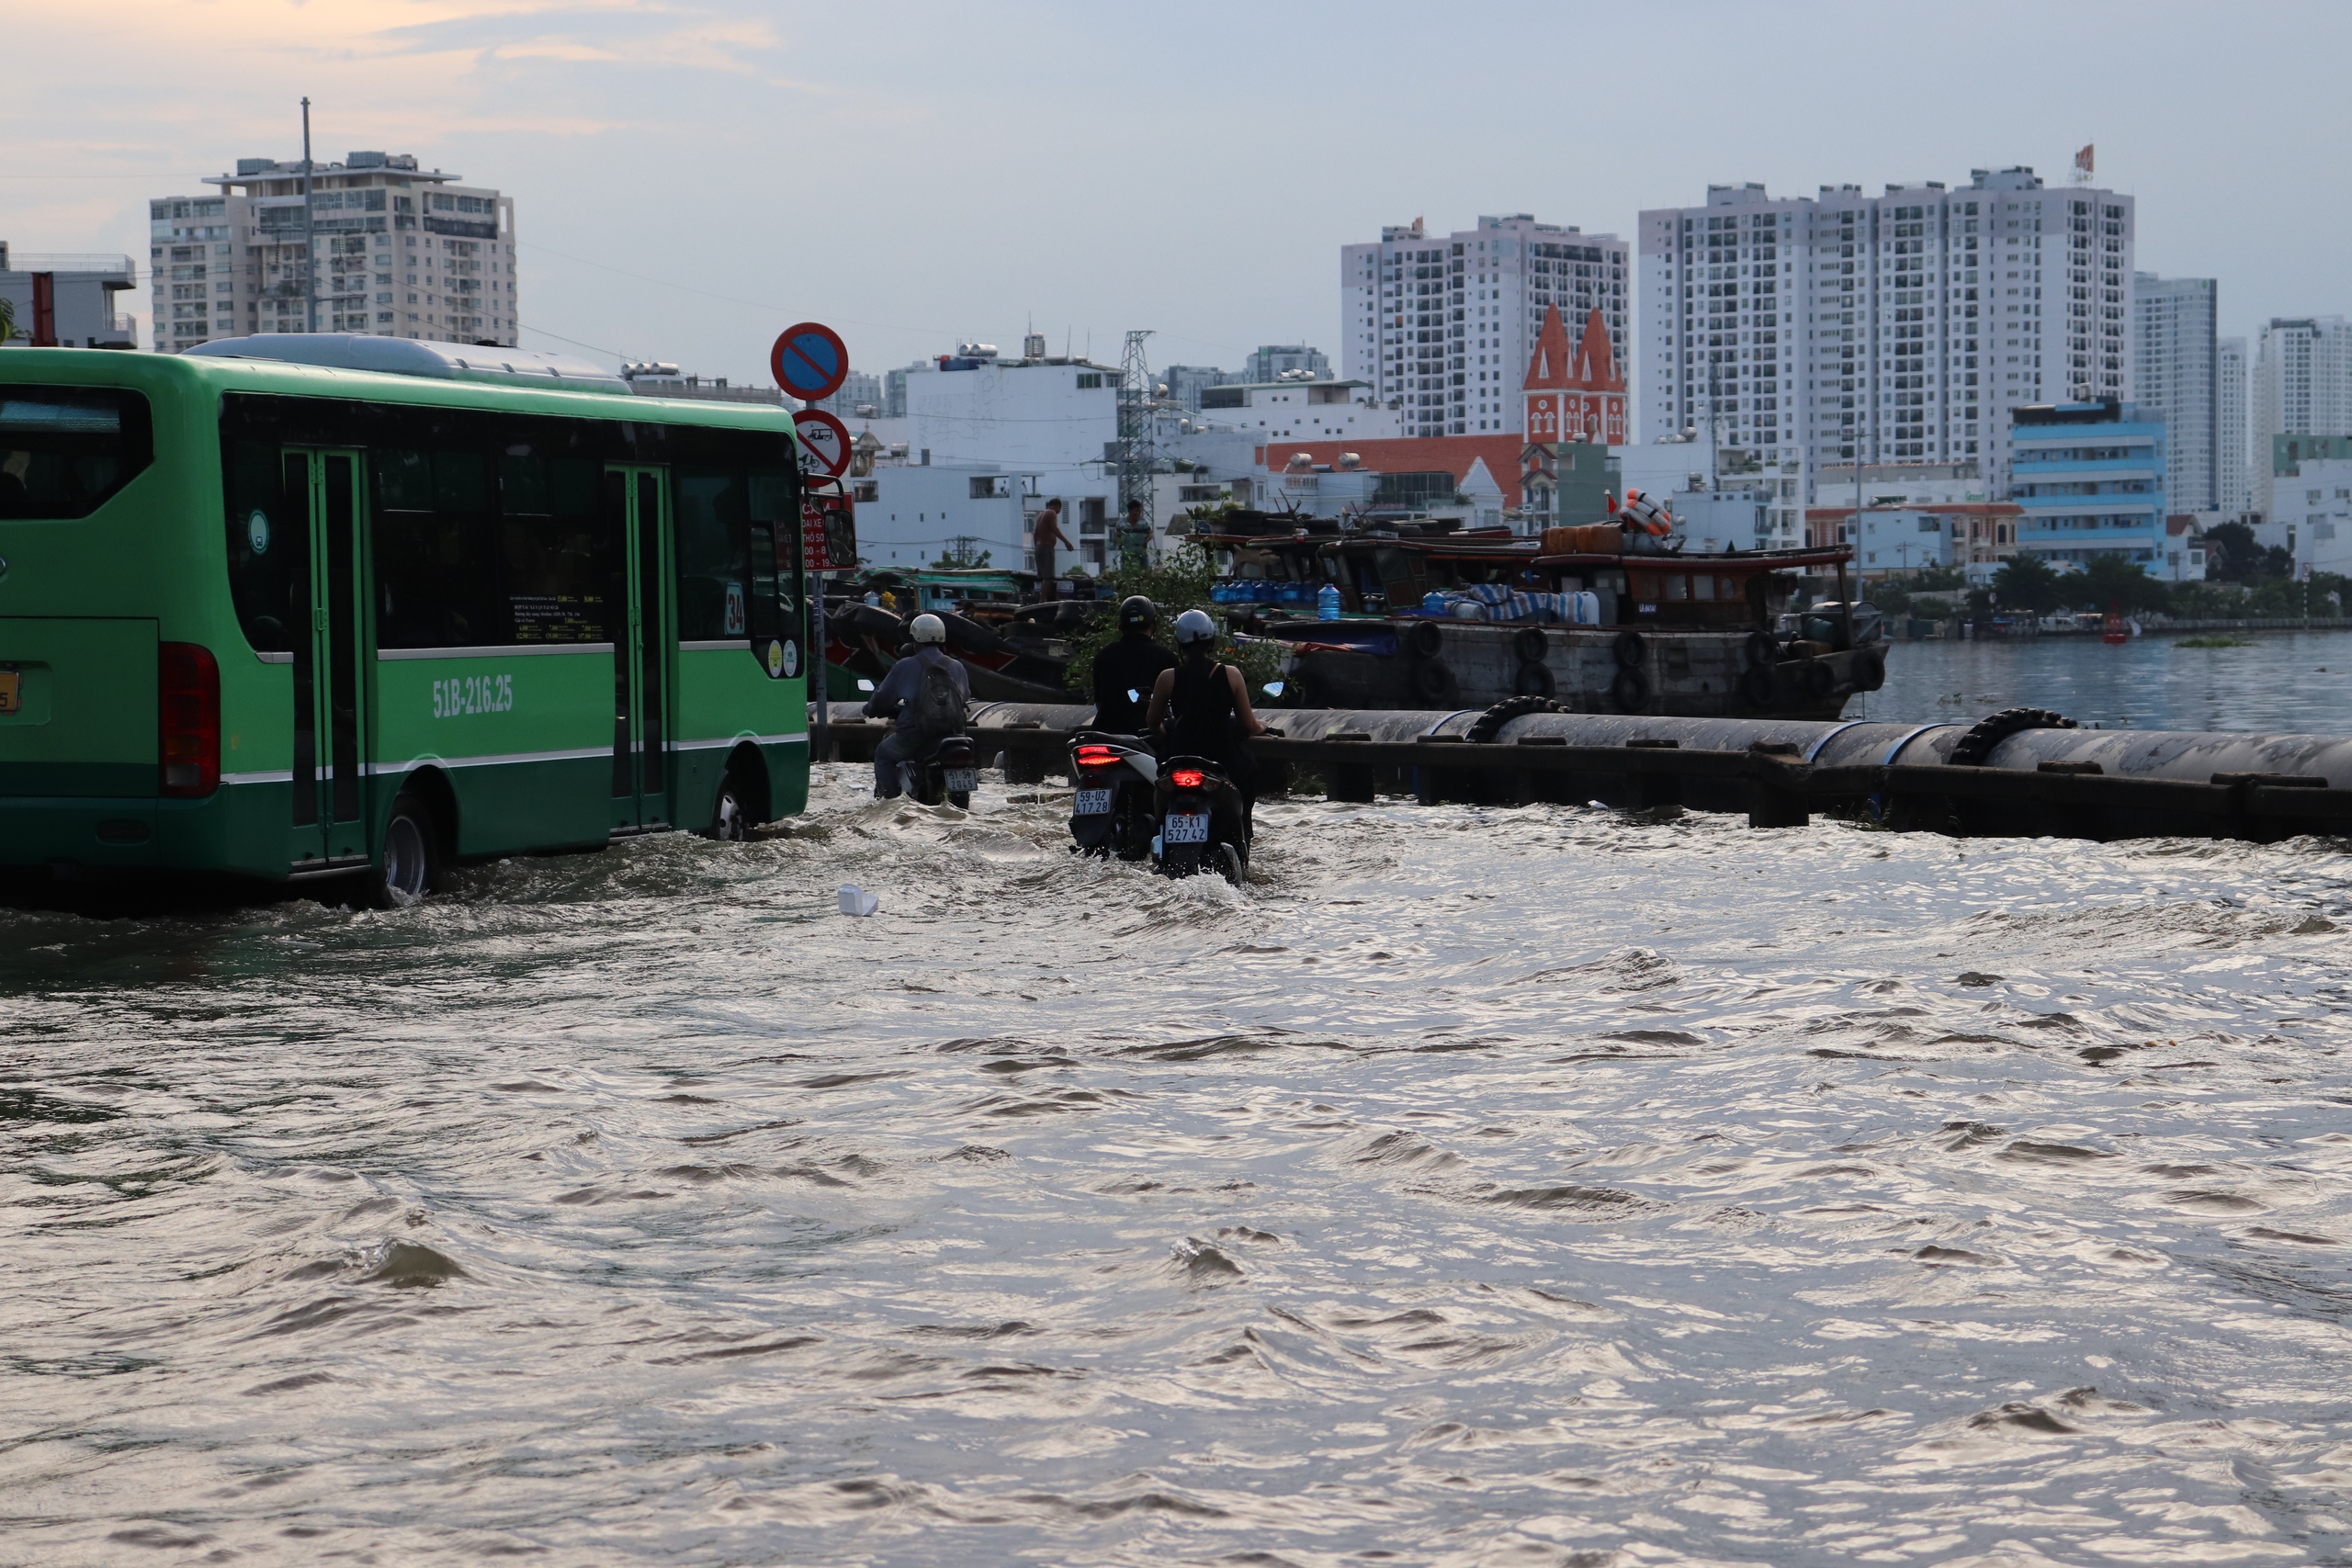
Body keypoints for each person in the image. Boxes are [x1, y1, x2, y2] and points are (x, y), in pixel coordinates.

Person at [1146, 608, 1266, 833]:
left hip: (1180, 756)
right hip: (1223, 758)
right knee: (1250, 774)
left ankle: (1160, 832)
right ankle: (1243, 834)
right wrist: (1263, 727)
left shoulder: (1167, 678)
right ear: (1212, 640)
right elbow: (1249, 725)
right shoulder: (1231, 674)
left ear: (1179, 643)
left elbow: (1153, 722)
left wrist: (1166, 735)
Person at [862, 614, 970, 799]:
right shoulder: (957, 666)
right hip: (954, 735)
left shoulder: (906, 665)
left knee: (883, 755)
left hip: (915, 735)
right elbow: (965, 698)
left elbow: (882, 698)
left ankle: (889, 803)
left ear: (914, 639)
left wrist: (870, 709)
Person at [1091, 595, 1176, 736]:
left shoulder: (1103, 656)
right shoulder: (1166, 658)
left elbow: (1099, 702)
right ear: (1154, 623)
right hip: (1149, 738)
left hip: (1106, 734)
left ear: (1121, 625)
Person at [1031, 499, 1072, 598]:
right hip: (1046, 547)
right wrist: (1066, 542)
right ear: (1058, 506)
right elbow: (1055, 528)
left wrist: (1037, 546)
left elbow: (1035, 534)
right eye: (1059, 510)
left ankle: (1044, 597)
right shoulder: (1051, 513)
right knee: (1048, 577)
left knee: (1044, 577)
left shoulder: (1041, 515)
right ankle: (1043, 599)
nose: (1058, 513)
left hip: (1039, 548)